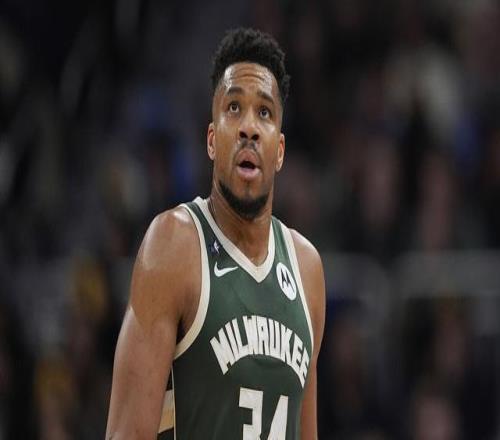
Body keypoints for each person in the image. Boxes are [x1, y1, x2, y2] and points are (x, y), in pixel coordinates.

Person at [105, 27, 325, 440]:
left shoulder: (306, 269)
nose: (249, 128)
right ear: (211, 140)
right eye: (234, 108)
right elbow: (125, 434)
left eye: (264, 113)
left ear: (279, 151)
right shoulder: (174, 245)